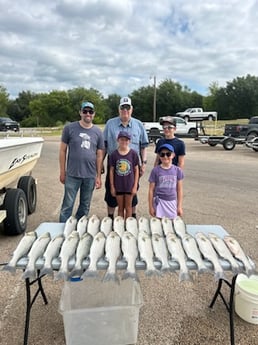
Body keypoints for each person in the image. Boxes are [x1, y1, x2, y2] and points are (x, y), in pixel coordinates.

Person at [103, 96, 149, 219]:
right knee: (111, 192)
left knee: (132, 192)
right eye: (123, 107)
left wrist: (143, 163)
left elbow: (143, 146)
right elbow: (104, 145)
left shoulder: (138, 125)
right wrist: (101, 163)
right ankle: (111, 218)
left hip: (133, 165)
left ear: (131, 109)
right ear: (119, 109)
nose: (125, 110)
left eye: (127, 108)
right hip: (114, 164)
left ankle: (131, 217)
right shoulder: (110, 124)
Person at [59, 101, 104, 222]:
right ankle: (63, 228)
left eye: (90, 112)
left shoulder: (98, 132)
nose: (87, 114)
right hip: (72, 174)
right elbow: (63, 150)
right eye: (85, 111)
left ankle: (79, 228)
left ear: (94, 114)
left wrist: (98, 176)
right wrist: (63, 171)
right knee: (67, 205)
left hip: (90, 175)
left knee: (85, 206)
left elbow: (99, 155)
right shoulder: (69, 128)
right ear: (80, 113)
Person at [148, 143, 184, 219]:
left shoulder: (177, 170)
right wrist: (151, 206)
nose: (165, 157)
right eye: (162, 154)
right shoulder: (155, 170)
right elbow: (151, 190)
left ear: (173, 155)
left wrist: (179, 206)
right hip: (159, 202)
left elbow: (179, 190)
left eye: (168, 154)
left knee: (171, 224)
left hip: (172, 202)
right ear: (159, 156)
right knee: (159, 224)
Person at [109, 131, 140, 219]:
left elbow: (136, 170)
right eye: (122, 140)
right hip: (118, 185)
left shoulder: (133, 153)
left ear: (129, 141)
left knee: (128, 207)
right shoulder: (114, 154)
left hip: (129, 185)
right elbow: (111, 171)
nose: (124, 142)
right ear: (118, 140)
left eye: (126, 140)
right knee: (120, 208)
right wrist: (112, 186)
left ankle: (128, 227)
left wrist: (135, 186)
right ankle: (121, 226)